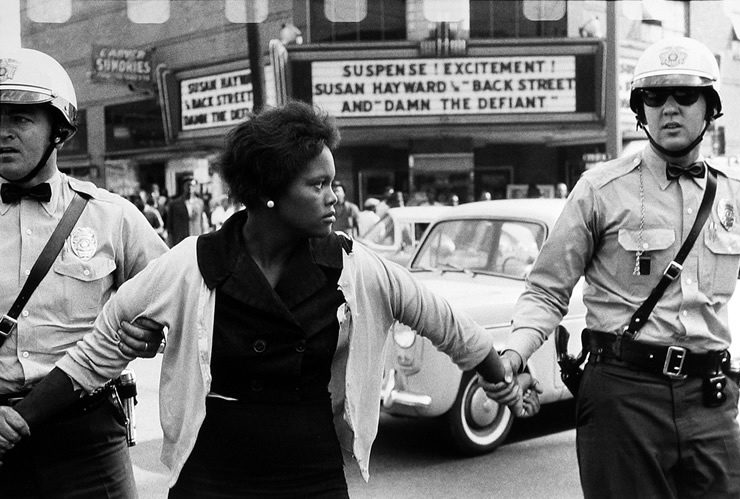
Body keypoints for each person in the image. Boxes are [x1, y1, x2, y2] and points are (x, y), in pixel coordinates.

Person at [1, 101, 541, 497]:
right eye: (318, 185)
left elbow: (445, 322)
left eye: (335, 183)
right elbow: (100, 351)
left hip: (312, 470)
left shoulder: (356, 267)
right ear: (269, 190)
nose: (336, 198)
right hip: (212, 471)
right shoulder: (191, 264)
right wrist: (21, 419)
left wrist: (499, 375)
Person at [483, 37, 740, 498]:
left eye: (685, 95)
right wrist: (514, 356)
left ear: (711, 107)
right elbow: (547, 290)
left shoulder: (738, 195)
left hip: (710, 397)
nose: (669, 108)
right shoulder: (599, 189)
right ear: (639, 109)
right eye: (654, 96)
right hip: (624, 396)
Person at [0, 47, 168, 497]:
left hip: (87, 435)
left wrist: (151, 336)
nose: (3, 134)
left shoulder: (111, 217)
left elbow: (178, 298)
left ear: (59, 129)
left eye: (20, 120)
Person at [165, 177, 208, 247]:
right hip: (180, 241)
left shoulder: (200, 203)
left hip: (195, 239)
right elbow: (169, 226)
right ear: (184, 187)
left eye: (192, 186)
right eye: (188, 185)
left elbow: (202, 222)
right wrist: (170, 243)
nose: (190, 188)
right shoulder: (174, 204)